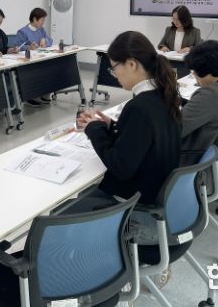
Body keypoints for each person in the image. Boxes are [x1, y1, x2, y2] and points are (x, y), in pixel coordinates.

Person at [77, 31, 181, 205]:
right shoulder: (164, 92)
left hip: (136, 196)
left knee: (69, 205)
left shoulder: (139, 106)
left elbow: (120, 168)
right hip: (159, 186)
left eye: (114, 68)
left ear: (132, 64)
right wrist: (112, 126)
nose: (114, 74)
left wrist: (94, 129)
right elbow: (146, 136)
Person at [15, 7, 54, 107]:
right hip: (28, 61)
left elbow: (50, 40)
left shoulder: (41, 30)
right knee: (38, 70)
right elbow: (17, 47)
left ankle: (44, 94)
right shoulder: (22, 32)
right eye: (42, 20)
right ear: (34, 19)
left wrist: (45, 41)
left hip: (40, 58)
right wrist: (29, 47)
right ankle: (30, 97)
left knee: (50, 67)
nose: (43, 23)